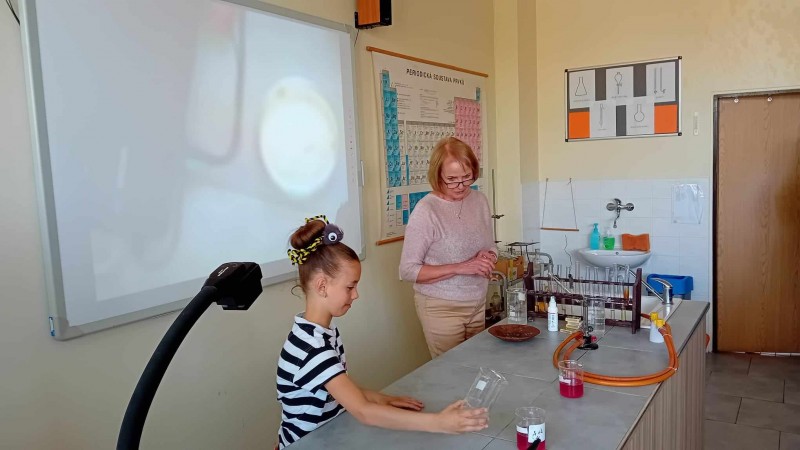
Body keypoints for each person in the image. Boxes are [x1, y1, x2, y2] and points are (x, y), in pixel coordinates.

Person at [276, 215, 488, 449]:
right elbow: (363, 412)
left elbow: (339, 391)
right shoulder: (313, 349)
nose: (355, 295)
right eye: (350, 287)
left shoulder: (318, 333)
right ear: (322, 286)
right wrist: (439, 423)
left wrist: (383, 399)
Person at [399, 137, 497, 358]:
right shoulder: (427, 211)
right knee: (451, 371)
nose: (460, 186)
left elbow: (490, 245)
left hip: (477, 302)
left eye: (466, 177)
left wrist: (489, 256)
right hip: (441, 308)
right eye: (451, 180)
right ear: (438, 176)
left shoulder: (479, 201)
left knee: (477, 367)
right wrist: (461, 267)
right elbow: (408, 271)